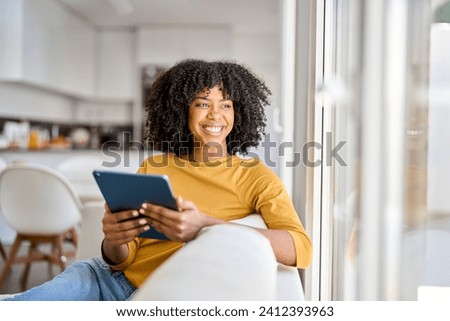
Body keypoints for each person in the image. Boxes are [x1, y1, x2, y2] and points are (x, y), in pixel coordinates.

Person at [2, 59, 312, 301]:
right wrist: (114, 238)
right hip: (103, 279)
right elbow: (119, 260)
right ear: (182, 112)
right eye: (203, 104)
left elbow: (301, 249)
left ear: (239, 113)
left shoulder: (255, 176)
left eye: (226, 105)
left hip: (158, 293)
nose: (216, 115)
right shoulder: (155, 166)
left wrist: (203, 225)